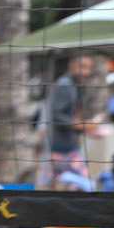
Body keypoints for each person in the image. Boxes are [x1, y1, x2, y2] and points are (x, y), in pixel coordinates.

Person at [41, 55, 93, 185]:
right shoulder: (64, 84)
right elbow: (57, 116)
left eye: (89, 68)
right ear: (71, 65)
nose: (86, 72)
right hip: (60, 148)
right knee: (83, 185)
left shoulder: (73, 85)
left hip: (66, 145)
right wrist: (81, 125)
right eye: (83, 67)